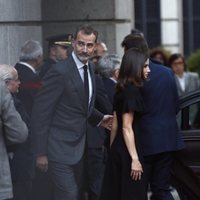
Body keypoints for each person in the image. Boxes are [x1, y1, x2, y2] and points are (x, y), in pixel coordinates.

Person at [31, 24, 112, 200]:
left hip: (80, 148)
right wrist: (40, 152)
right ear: (73, 43)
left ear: (95, 46)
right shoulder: (59, 71)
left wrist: (100, 118)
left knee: (74, 194)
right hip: (57, 149)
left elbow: (81, 106)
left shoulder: (90, 68)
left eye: (89, 45)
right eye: (81, 44)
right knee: (68, 194)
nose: (85, 49)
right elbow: (41, 112)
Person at [121, 33, 184, 199]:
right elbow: (176, 106)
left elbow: (130, 111)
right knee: (162, 189)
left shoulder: (136, 75)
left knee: (138, 190)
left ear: (130, 51)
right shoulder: (167, 72)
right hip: (168, 139)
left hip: (145, 141)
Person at [101, 48, 150, 200]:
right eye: (145, 66)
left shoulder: (121, 89)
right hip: (129, 152)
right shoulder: (132, 92)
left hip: (119, 150)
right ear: (135, 67)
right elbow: (126, 127)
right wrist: (135, 159)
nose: (149, 70)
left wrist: (112, 150)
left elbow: (115, 124)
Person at [0, 64, 31, 200]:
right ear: (6, 84)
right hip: (13, 166)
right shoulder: (10, 101)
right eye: (16, 80)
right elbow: (19, 134)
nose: (19, 83)